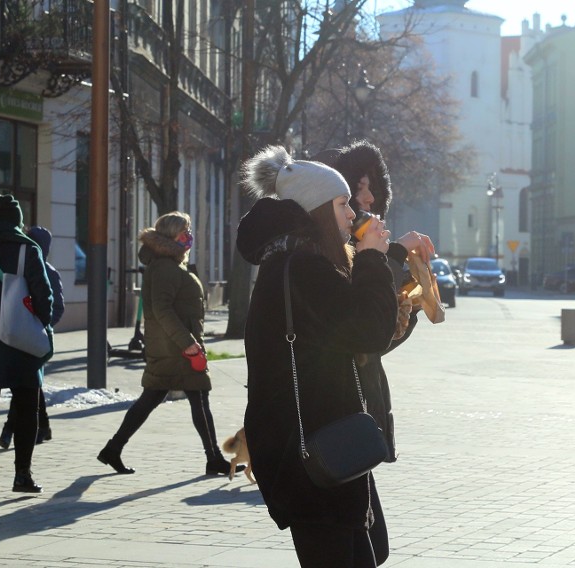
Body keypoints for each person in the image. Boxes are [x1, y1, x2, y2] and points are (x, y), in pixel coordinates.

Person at [237, 145, 397, 567]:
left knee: (373, 549)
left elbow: (360, 332)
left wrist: (381, 260)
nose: (352, 215)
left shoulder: (296, 265)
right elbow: (369, 329)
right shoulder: (303, 270)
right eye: (343, 204)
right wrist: (373, 259)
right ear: (318, 210)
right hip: (313, 460)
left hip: (320, 450)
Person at [314, 140, 435, 462]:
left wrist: (409, 306)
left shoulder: (354, 252)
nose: (369, 198)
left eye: (373, 188)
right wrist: (391, 255)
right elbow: (357, 331)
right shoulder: (323, 258)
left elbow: (376, 343)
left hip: (358, 411)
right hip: (337, 415)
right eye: (359, 188)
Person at [96, 212, 242, 477]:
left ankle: (113, 449)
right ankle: (214, 459)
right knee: (197, 399)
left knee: (151, 399)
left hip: (171, 347)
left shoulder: (169, 264)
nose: (189, 237)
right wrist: (188, 344)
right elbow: (162, 310)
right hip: (176, 349)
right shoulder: (165, 267)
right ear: (173, 235)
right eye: (185, 231)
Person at [0, 195, 54, 502]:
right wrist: (42, 323)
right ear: (16, 219)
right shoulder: (28, 248)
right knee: (27, 408)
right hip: (21, 341)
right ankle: (22, 476)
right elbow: (44, 295)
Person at [0, 226, 63, 449]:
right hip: (18, 334)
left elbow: (57, 307)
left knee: (26, 383)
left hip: (35, 336)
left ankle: (9, 429)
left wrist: (41, 326)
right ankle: (43, 427)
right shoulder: (21, 265)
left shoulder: (47, 271)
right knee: (30, 384)